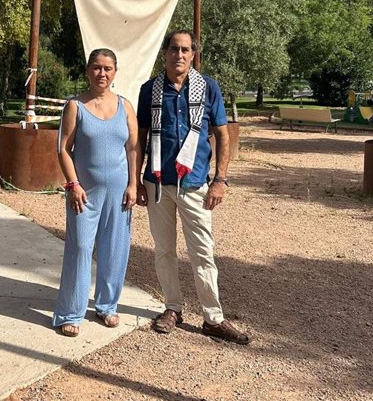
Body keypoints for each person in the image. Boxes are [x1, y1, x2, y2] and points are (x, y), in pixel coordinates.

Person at [136, 29, 251, 345]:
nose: (180, 55)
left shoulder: (208, 87)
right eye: (174, 49)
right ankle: (173, 308)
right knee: (164, 250)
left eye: (186, 50)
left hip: (195, 183)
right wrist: (137, 181)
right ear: (165, 53)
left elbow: (223, 135)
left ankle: (213, 318)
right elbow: (140, 139)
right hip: (158, 182)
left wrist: (221, 179)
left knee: (202, 251)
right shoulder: (149, 91)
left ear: (193, 54)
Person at [53, 48, 140, 337]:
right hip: (84, 193)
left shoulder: (125, 106)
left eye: (108, 68)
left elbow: (132, 148)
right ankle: (70, 312)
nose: (102, 73)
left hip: (119, 192)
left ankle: (107, 306)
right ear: (88, 70)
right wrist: (73, 184)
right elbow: (63, 149)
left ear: (115, 72)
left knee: (115, 248)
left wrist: (133, 184)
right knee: (79, 249)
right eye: (96, 68)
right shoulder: (75, 106)